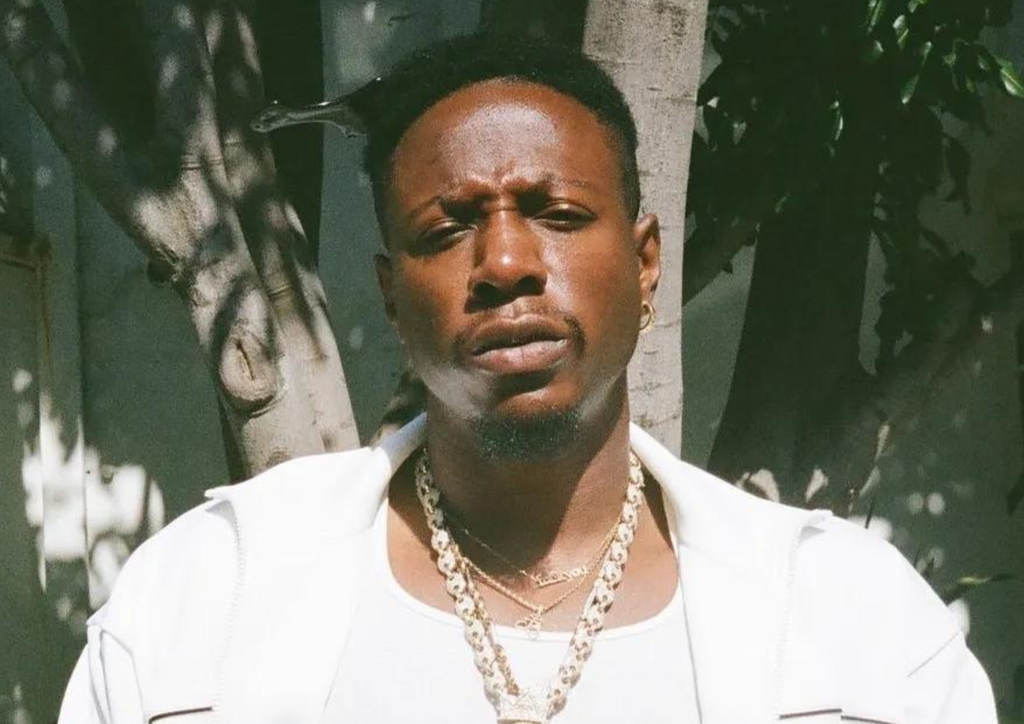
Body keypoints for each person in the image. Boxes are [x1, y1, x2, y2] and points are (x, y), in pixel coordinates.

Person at [58, 34, 996, 724]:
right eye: (444, 231)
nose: (505, 262)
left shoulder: (855, 621)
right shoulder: (205, 597)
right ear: (391, 297)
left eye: (557, 213)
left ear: (646, 264)